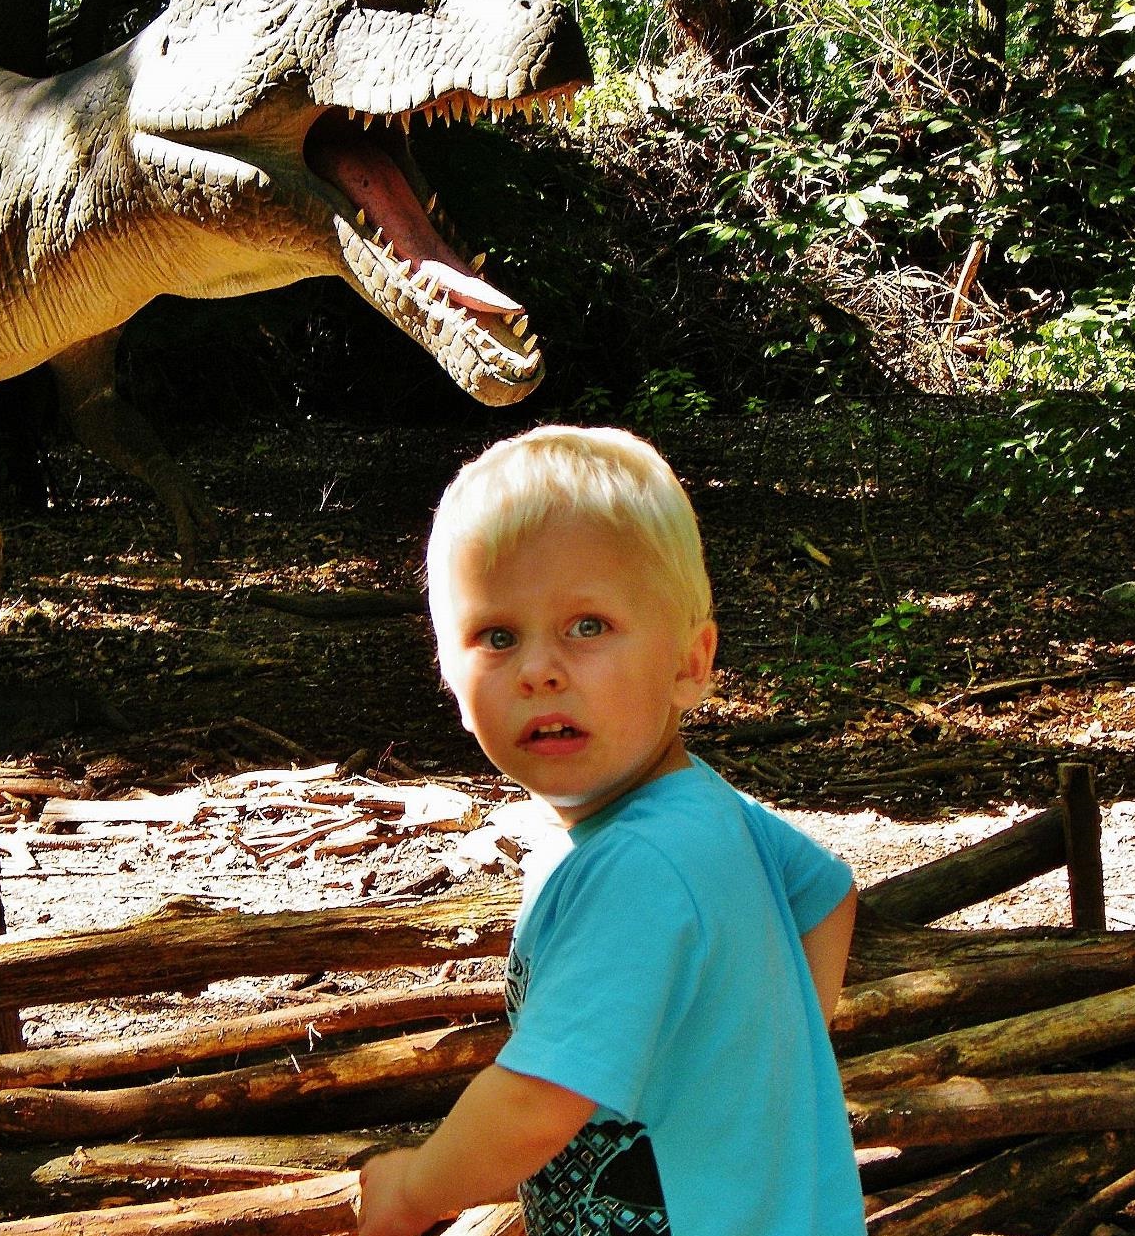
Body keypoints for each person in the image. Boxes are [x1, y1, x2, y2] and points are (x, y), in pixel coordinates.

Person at [358, 425, 863, 1236]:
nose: (539, 668)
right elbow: (826, 895)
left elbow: (534, 1101)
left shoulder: (636, 866)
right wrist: (754, 1092)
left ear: (689, 663)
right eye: (496, 635)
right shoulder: (704, 810)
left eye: (587, 625)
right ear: (451, 677)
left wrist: (414, 1187)